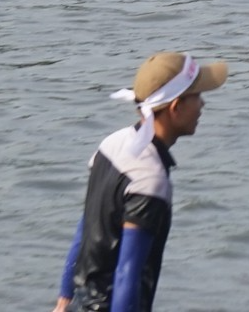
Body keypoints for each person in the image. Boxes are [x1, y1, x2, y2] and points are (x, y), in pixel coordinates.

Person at [52, 52, 228, 312]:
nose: (202, 104)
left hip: (81, 302)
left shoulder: (112, 144)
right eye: (197, 96)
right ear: (175, 107)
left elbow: (83, 232)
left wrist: (64, 299)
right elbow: (127, 274)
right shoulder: (149, 178)